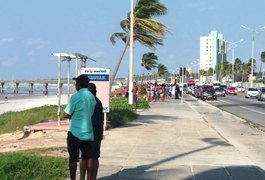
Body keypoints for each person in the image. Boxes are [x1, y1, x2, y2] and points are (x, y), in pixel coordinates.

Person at [64, 74, 96, 180]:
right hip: (88, 132)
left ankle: (73, 178)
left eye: (76, 83)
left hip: (75, 132)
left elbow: (66, 114)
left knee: (73, 159)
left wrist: (72, 115)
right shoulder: (92, 97)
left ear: (79, 84)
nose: (75, 85)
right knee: (89, 157)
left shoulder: (75, 97)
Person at [79, 83, 104, 180]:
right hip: (97, 134)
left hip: (88, 133)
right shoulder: (98, 102)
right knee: (94, 157)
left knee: (84, 157)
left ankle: (82, 177)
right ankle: (93, 177)